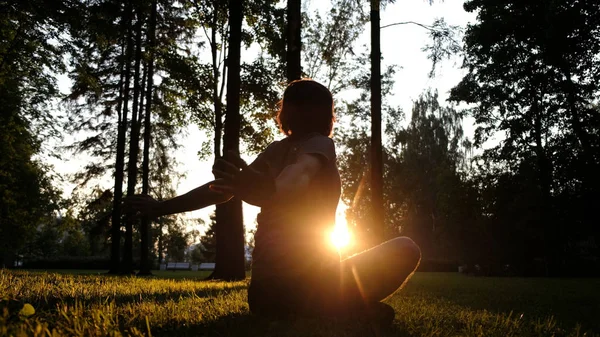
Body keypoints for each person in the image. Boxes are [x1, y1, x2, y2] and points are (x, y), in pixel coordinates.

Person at [126, 79, 421, 323]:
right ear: (326, 115)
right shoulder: (319, 144)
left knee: (338, 271)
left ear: (286, 113)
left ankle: (330, 310)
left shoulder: (280, 152)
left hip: (264, 298)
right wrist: (164, 206)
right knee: (406, 248)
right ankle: (337, 310)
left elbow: (276, 180)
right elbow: (294, 176)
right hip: (307, 286)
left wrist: (162, 207)